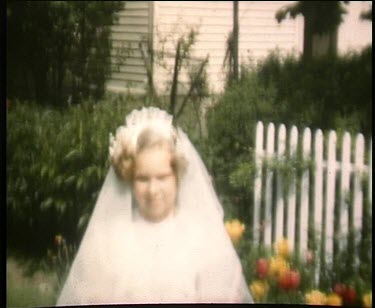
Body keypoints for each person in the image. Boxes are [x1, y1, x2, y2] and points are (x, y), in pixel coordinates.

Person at [56, 107, 253, 305]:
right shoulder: (109, 239)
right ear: (129, 179)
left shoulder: (202, 238)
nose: (153, 190)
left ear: (177, 176)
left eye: (162, 177)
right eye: (142, 179)